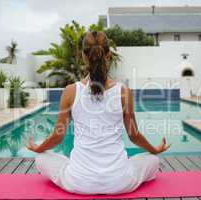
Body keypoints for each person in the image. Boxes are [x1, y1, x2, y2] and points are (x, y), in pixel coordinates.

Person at [27, 31, 170, 195]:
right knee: (153, 160)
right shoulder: (124, 91)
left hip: (79, 181)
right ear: (108, 55)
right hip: (119, 181)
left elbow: (58, 136)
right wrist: (154, 150)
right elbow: (134, 135)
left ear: (83, 55)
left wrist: (39, 148)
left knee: (41, 159)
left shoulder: (70, 91)